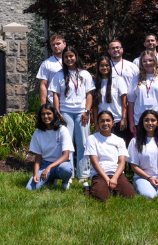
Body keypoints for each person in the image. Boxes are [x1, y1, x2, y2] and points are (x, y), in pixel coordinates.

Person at [49, 45, 94, 183]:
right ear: (63, 59)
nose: (69, 59)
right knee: (67, 144)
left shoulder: (84, 74)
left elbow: (89, 94)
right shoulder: (59, 74)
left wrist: (87, 111)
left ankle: (83, 174)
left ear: (76, 57)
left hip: (82, 113)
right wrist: (57, 112)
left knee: (83, 143)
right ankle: (68, 173)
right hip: (65, 113)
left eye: (71, 56)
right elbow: (55, 94)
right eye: (66, 57)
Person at [84, 111, 135, 201]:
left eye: (108, 120)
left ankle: (114, 188)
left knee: (129, 195)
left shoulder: (119, 140)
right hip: (99, 174)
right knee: (101, 197)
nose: (105, 123)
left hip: (116, 174)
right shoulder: (92, 139)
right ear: (97, 123)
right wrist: (107, 179)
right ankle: (87, 188)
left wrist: (114, 178)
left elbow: (122, 163)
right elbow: (95, 163)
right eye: (102, 121)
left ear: (113, 123)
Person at [26, 103, 74, 190]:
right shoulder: (37, 133)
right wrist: (36, 174)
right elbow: (38, 158)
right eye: (43, 114)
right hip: (45, 164)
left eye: (49, 113)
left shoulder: (62, 130)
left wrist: (49, 167)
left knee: (66, 169)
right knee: (30, 188)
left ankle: (65, 181)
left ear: (54, 115)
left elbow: (66, 155)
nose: (46, 116)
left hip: (61, 164)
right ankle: (50, 179)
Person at [127, 110, 158, 198]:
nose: (150, 123)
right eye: (146, 120)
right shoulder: (135, 141)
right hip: (142, 177)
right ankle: (139, 187)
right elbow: (134, 166)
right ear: (142, 123)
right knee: (149, 196)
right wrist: (149, 178)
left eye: (153, 120)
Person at [127, 50, 158, 137]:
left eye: (150, 60)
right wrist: (131, 122)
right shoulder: (135, 79)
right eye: (144, 61)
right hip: (141, 121)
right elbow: (131, 102)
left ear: (155, 61)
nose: (147, 63)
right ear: (141, 63)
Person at [93, 56, 127, 137]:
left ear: (110, 66)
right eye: (101, 65)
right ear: (98, 67)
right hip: (103, 122)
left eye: (107, 65)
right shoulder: (95, 81)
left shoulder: (118, 79)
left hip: (117, 121)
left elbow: (124, 101)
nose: (104, 68)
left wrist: (124, 119)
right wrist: (96, 122)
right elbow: (94, 105)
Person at [37, 34, 66, 105]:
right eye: (53, 45)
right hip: (54, 102)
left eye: (58, 43)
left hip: (72, 104)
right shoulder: (47, 63)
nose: (55, 46)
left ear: (64, 44)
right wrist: (43, 105)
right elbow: (43, 85)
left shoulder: (72, 61)